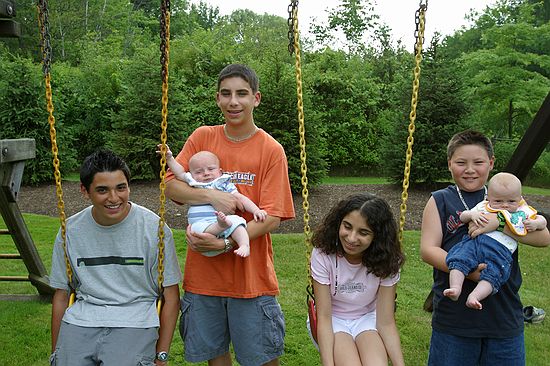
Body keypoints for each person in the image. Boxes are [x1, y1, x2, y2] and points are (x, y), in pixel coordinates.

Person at [164, 63, 295, 365]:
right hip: (204, 278)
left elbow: (273, 216)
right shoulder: (202, 137)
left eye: (241, 94)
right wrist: (212, 196)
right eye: (226, 94)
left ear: (256, 98)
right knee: (215, 358)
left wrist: (225, 244)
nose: (233, 101)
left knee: (262, 358)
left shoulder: (271, 150)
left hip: (251, 280)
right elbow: (172, 187)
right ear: (217, 98)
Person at [420, 130, 550, 365]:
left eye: (478, 162)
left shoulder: (506, 197)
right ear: (450, 164)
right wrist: (468, 272)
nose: (470, 169)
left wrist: (500, 224)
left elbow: (543, 238)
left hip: (503, 314)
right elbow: (428, 250)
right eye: (461, 163)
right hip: (455, 318)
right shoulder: (440, 200)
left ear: (491, 163)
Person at [49, 149, 182, 366]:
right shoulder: (71, 231)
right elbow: (61, 295)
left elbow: (171, 298)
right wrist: (56, 354)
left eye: (121, 188)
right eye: (102, 190)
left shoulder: (153, 229)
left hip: (135, 319)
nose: (114, 198)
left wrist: (162, 356)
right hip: (83, 318)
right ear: (85, 191)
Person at [308, 192, 405, 366]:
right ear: (339, 223)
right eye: (347, 226)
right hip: (333, 320)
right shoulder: (323, 254)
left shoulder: (388, 259)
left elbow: (385, 322)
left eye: (363, 232)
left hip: (368, 318)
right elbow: (323, 316)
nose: (351, 238)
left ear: (377, 236)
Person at [444, 172, 547, 309]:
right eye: (498, 201)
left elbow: (543, 221)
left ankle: (475, 296)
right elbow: (463, 216)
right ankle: (456, 288)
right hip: (475, 243)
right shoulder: (484, 206)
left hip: (500, 250)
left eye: (511, 201)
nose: (504, 205)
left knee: (494, 274)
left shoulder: (522, 211)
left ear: (520, 199)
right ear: (489, 198)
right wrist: (472, 214)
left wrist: (536, 224)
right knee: (459, 259)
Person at [159, 146, 267, 257]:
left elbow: (240, 198)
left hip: (223, 220)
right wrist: (169, 158)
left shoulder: (223, 184)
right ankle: (219, 227)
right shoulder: (194, 183)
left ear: (220, 172)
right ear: (192, 175)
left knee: (237, 223)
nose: (206, 173)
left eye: (211, 169)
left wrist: (256, 210)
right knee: (194, 230)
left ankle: (244, 245)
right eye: (199, 172)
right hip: (200, 224)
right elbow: (180, 173)